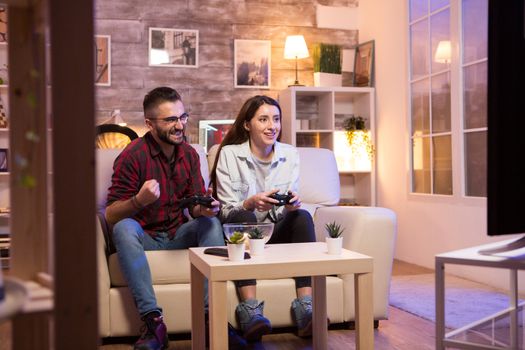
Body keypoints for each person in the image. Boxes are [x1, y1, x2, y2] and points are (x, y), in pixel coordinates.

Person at [105, 87, 227, 350]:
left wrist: (204, 209)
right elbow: (110, 213)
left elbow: (194, 204)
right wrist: (139, 201)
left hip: (178, 234)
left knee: (211, 223)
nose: (179, 125)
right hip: (145, 237)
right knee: (124, 227)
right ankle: (153, 323)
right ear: (149, 124)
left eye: (182, 117)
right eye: (170, 120)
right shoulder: (132, 155)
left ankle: (211, 319)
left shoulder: (190, 154)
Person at [210, 95, 316, 343]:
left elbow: (286, 205)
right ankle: (251, 311)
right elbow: (225, 210)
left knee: (302, 216)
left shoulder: (289, 154)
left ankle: (306, 308)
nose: (272, 126)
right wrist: (249, 202)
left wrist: (290, 206)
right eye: (264, 119)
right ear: (247, 124)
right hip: (240, 231)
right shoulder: (229, 154)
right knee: (244, 215)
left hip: (274, 228)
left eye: (276, 119)